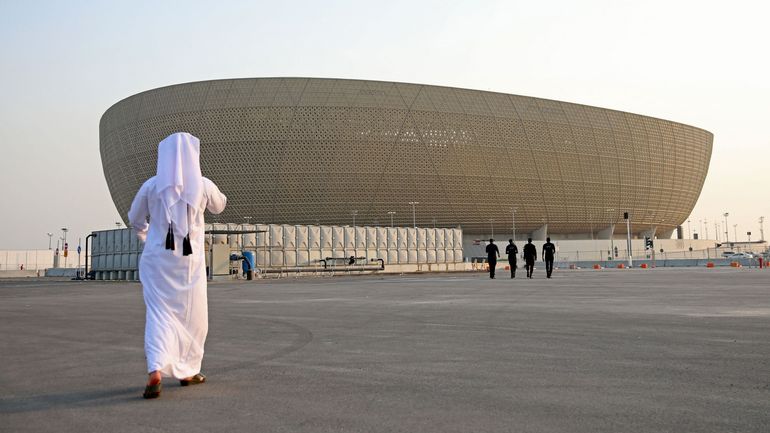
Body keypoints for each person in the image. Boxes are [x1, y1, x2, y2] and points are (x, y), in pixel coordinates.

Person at [128, 132, 227, 399]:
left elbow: (135, 218)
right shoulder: (203, 185)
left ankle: (155, 371)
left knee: (159, 315)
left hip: (157, 261)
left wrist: (147, 236)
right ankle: (188, 371)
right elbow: (220, 206)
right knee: (193, 317)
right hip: (189, 264)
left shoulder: (151, 186)